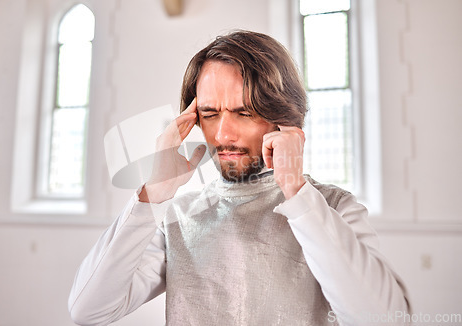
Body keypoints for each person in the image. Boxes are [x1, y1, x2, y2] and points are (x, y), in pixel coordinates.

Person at [68, 30, 410, 326]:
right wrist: (151, 194)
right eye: (210, 113)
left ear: (283, 117)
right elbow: (89, 309)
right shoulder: (179, 218)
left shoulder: (334, 208)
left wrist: (297, 193)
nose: (223, 134)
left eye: (244, 112)